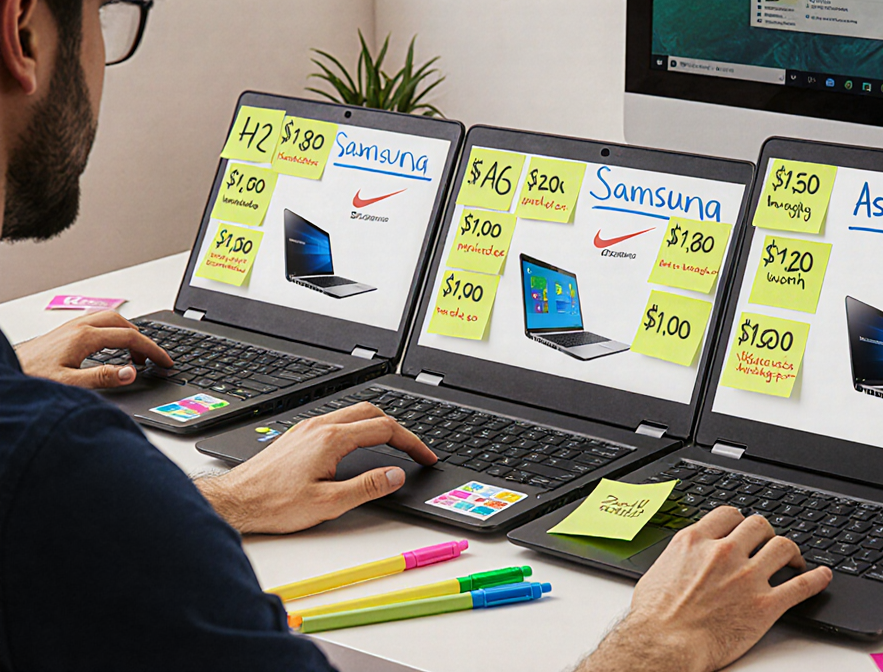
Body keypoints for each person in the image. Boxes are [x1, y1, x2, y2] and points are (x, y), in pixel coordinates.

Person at [0, 1, 832, 670]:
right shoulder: (62, 472)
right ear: (24, 33)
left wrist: (225, 498)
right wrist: (659, 645)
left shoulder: (56, 470)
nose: (104, 58)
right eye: (104, 15)